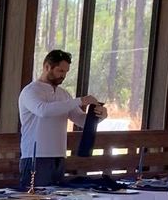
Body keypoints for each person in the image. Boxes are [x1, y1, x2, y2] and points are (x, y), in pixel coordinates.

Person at [18, 49, 108, 188]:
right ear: (47, 67)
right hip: (35, 156)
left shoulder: (64, 95)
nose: (63, 76)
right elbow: (43, 110)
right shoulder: (30, 91)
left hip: (59, 155)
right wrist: (80, 100)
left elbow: (80, 120)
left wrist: (99, 116)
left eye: (66, 72)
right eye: (60, 71)